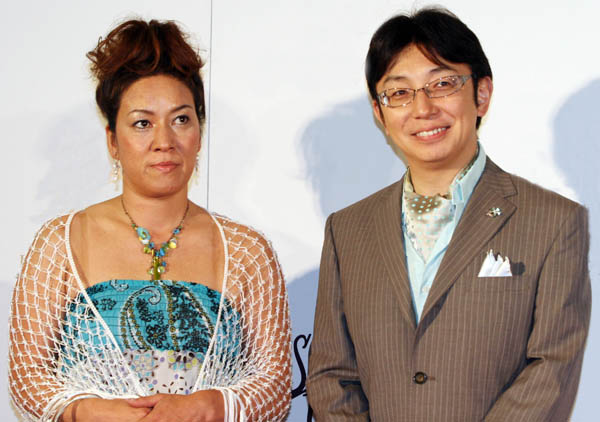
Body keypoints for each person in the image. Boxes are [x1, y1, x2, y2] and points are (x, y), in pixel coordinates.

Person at [307, 7, 590, 421]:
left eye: (442, 84)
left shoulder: (554, 221)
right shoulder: (347, 230)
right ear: (379, 112)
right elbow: (332, 375)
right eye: (399, 93)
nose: (422, 108)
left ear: (481, 94)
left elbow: (552, 368)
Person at [9, 19, 291, 422]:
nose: (164, 141)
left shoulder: (247, 252)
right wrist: (89, 411)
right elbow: (26, 379)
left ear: (199, 132)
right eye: (143, 123)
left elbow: (275, 387)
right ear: (112, 140)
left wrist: (209, 406)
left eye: (181, 119)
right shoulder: (62, 243)